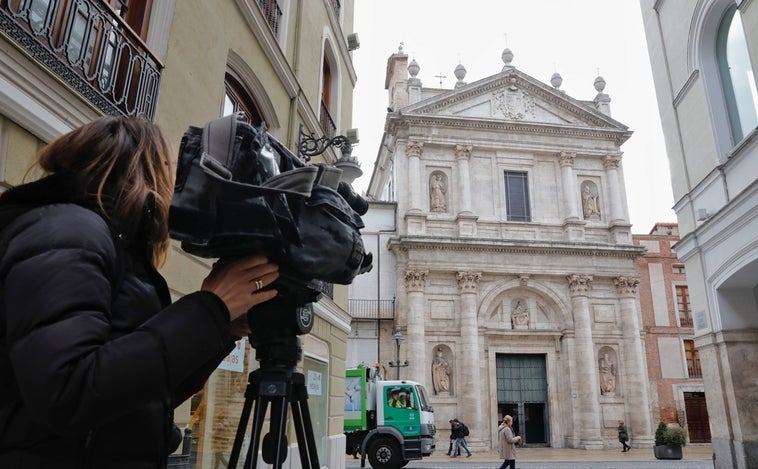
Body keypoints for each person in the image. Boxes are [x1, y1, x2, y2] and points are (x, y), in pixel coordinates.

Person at [0, 116, 280, 468]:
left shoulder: (111, 245)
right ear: (146, 169)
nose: (175, 187)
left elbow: (144, 396)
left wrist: (218, 326)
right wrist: (210, 308)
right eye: (171, 171)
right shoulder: (69, 231)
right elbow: (66, 390)